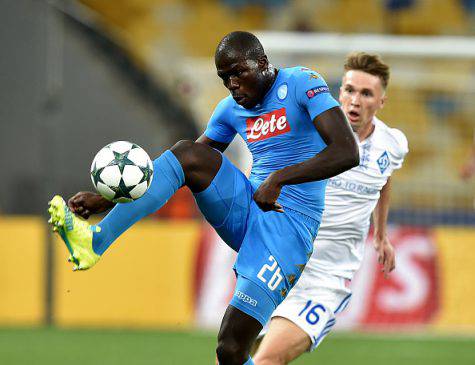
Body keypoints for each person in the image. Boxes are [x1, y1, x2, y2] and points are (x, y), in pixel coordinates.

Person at [48, 31, 359, 365]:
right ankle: (95, 240)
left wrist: (280, 178)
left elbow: (347, 151)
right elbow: (175, 169)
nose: (233, 84)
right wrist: (105, 199)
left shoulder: (301, 83)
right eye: (225, 78)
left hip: (288, 230)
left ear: (263, 63)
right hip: (248, 209)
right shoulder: (229, 110)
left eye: (239, 72)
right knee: (187, 153)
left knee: (230, 348)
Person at [253, 52, 409, 365]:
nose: (355, 100)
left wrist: (381, 235)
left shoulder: (393, 144)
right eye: (350, 90)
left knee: (267, 360)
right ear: (340, 93)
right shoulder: (309, 132)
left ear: (381, 102)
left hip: (326, 277)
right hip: (278, 262)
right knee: (229, 356)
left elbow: (385, 178)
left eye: (366, 93)